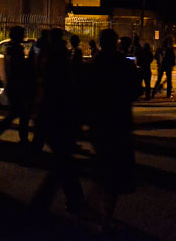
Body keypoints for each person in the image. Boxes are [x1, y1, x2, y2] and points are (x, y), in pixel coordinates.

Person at [86, 29, 141, 231]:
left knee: (102, 163)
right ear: (116, 42)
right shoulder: (125, 65)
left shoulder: (93, 65)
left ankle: (96, 207)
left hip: (98, 122)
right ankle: (106, 214)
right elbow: (136, 90)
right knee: (115, 169)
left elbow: (84, 93)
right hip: (119, 121)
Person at [30, 28, 85, 214]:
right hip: (60, 112)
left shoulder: (53, 58)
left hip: (55, 112)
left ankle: (73, 198)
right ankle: (73, 197)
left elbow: (49, 86)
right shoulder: (61, 56)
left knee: (62, 159)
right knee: (63, 158)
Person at [0, 26, 31, 145]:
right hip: (17, 86)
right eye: (22, 34)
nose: (24, 36)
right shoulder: (15, 49)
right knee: (21, 112)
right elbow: (18, 69)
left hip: (12, 85)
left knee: (17, 112)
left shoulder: (10, 48)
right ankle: (20, 138)